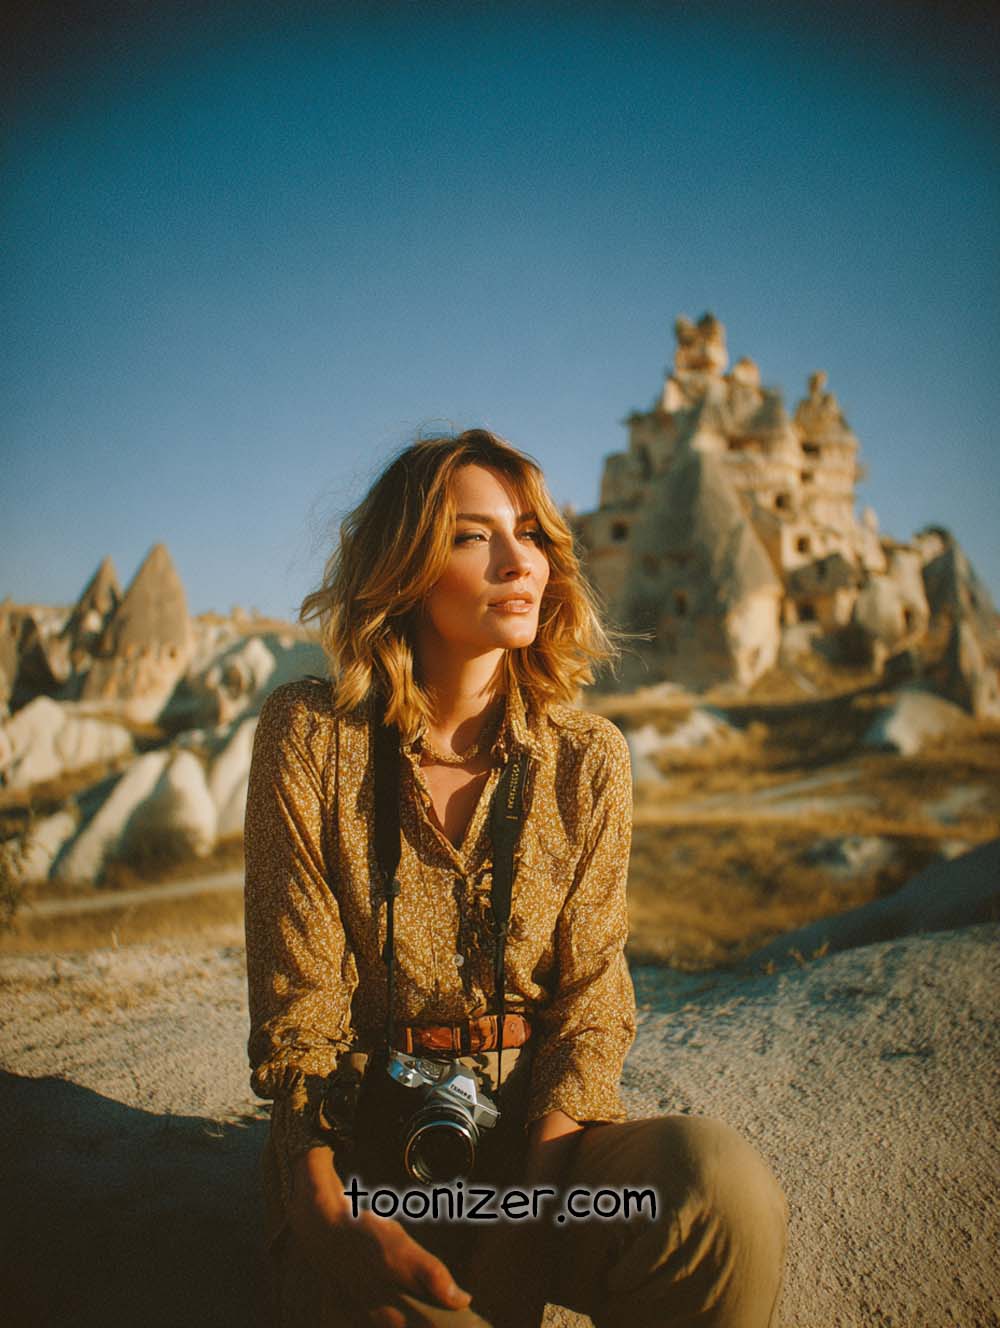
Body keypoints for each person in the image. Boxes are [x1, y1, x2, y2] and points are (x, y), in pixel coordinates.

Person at [244, 428, 787, 1328]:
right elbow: (298, 1016)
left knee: (717, 1193)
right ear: (405, 565)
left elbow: (589, 1006)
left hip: (540, 1163)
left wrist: (528, 1222)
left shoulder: (587, 760)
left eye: (531, 533)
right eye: (473, 536)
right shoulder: (312, 740)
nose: (517, 561)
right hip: (368, 1164)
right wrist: (319, 1207)